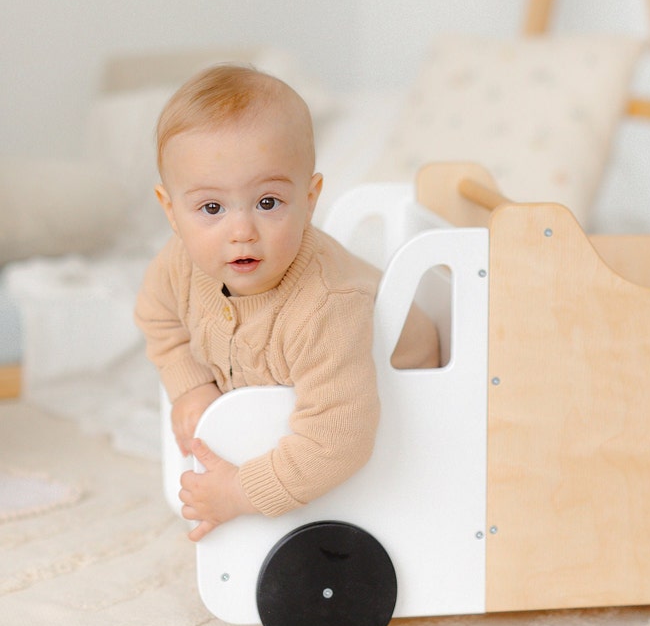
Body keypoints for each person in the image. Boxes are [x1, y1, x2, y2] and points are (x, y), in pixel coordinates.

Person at [135, 64, 439, 541]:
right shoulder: (181, 264)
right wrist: (191, 387)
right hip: (322, 398)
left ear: (310, 197)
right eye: (211, 208)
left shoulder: (325, 307)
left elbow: (338, 440)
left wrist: (240, 491)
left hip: (413, 412)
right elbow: (158, 318)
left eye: (268, 202)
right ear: (171, 210)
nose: (242, 232)